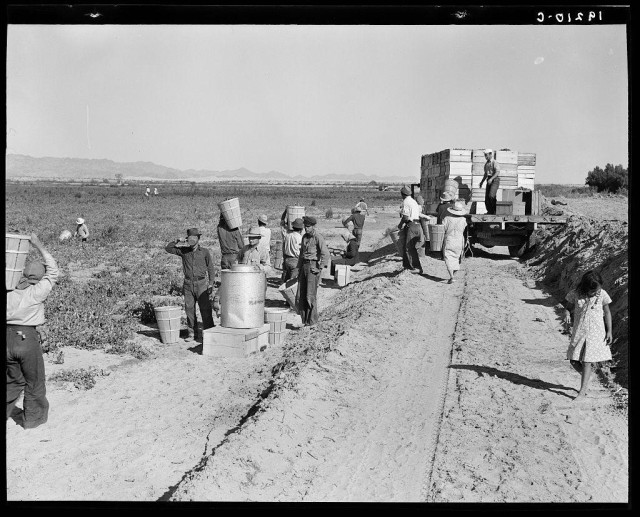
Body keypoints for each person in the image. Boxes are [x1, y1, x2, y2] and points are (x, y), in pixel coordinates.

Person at [7, 233, 58, 429]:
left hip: (7, 337)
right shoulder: (37, 291)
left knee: (13, 380)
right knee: (34, 380)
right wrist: (39, 245)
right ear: (39, 278)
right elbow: (53, 271)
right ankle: (33, 419)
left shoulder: (9, 289)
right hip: (26, 338)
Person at [563, 271, 613, 402]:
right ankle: (587, 375)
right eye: (593, 291)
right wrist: (567, 314)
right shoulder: (575, 293)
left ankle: (582, 391)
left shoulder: (602, 294)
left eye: (598, 289)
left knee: (586, 361)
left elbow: (607, 313)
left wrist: (609, 331)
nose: (596, 292)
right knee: (573, 359)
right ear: (585, 288)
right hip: (579, 332)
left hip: (595, 333)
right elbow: (567, 307)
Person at [165, 228, 216, 342]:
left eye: (195, 238)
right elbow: (168, 248)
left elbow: (211, 268)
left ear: (198, 239)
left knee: (205, 309)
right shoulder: (184, 251)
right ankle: (192, 333)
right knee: (189, 309)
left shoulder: (204, 252)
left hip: (202, 283)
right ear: (187, 239)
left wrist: (211, 283)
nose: (192, 241)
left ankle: (209, 332)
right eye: (190, 238)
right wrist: (178, 240)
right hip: (188, 284)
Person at [295, 216, 330, 327]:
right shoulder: (304, 237)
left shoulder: (318, 237)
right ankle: (305, 321)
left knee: (310, 295)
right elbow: (301, 255)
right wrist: (298, 269)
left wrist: (319, 268)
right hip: (304, 266)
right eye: (305, 226)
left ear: (313, 226)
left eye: (308, 226)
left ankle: (312, 322)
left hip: (312, 266)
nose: (306, 228)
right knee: (302, 294)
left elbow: (326, 254)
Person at [398, 186, 424, 274]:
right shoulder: (413, 201)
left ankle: (416, 267)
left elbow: (405, 217)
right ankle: (407, 266)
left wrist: (401, 224)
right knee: (411, 247)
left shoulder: (406, 202)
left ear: (402, 194)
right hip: (418, 225)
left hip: (411, 225)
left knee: (408, 248)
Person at [442, 200, 468, 284]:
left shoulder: (447, 219)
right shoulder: (463, 220)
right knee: (457, 258)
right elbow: (465, 231)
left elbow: (443, 229)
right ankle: (453, 275)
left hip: (449, 239)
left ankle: (451, 276)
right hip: (459, 240)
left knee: (448, 257)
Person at [478, 149, 500, 215]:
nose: (485, 156)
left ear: (490, 154)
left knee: (491, 196)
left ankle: (495, 211)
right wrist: (482, 182)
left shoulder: (494, 162)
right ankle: (490, 212)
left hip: (495, 180)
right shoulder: (486, 164)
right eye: (485, 155)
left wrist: (491, 179)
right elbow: (485, 174)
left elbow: (497, 172)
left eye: (486, 155)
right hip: (489, 179)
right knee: (487, 198)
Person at [282, 217, 304, 282]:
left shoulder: (287, 236)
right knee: (293, 282)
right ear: (301, 229)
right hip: (295, 261)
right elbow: (299, 251)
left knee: (286, 280)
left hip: (286, 259)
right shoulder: (300, 238)